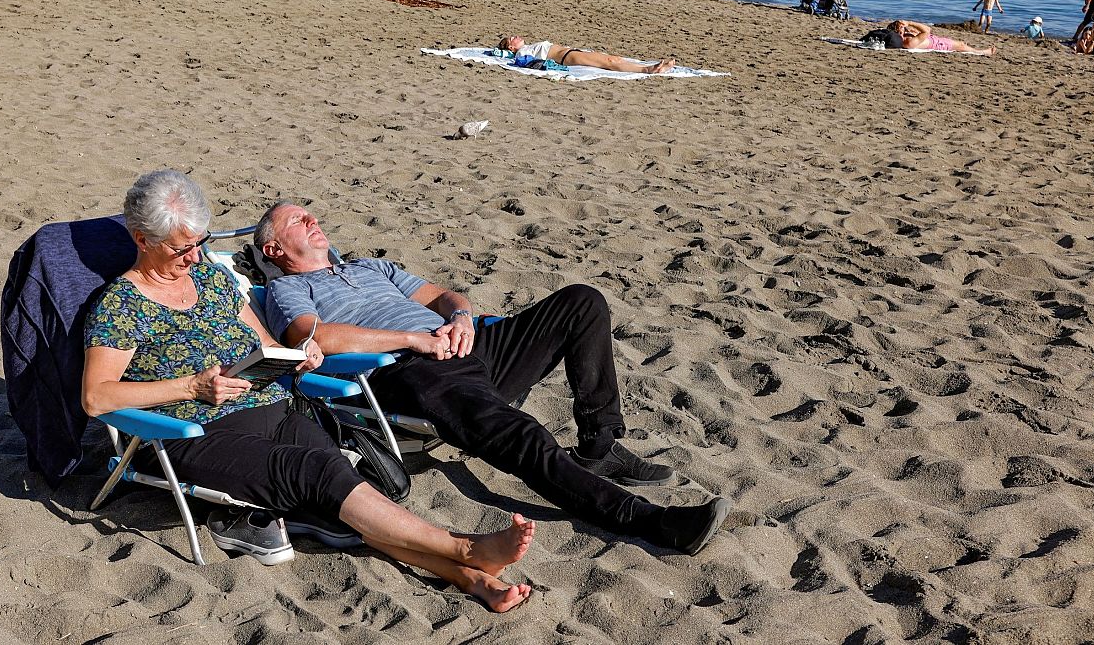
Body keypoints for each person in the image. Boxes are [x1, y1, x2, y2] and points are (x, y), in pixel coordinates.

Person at [83, 171, 535, 612]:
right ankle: (466, 548)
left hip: (272, 407)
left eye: (200, 243)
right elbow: (97, 397)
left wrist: (299, 354)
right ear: (142, 240)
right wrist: (191, 386)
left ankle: (470, 578)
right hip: (191, 431)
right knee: (317, 472)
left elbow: (265, 344)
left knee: (341, 484)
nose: (195, 257)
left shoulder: (213, 281)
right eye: (182, 249)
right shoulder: (121, 305)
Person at [256, 202, 732, 555]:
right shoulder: (285, 289)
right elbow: (314, 335)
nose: (313, 220)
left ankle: (599, 446)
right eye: (298, 220)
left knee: (581, 302)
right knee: (521, 434)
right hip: (413, 370)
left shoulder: (369, 266)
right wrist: (414, 340)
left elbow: (442, 296)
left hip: (467, 345)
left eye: (310, 214)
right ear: (274, 249)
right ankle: (651, 521)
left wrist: (461, 318)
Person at [498, 36, 678, 74]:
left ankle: (651, 67)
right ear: (511, 47)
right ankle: (649, 70)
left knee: (614, 59)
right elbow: (524, 62)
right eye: (512, 39)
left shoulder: (527, 47)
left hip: (572, 52)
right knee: (609, 62)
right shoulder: (521, 52)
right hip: (567, 57)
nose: (516, 37)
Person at [887, 20, 997, 55]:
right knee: (961, 45)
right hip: (938, 45)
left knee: (962, 44)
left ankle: (976, 50)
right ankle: (983, 52)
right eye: (902, 27)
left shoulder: (905, 37)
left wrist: (910, 29)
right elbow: (927, 30)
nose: (904, 28)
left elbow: (923, 32)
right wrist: (910, 23)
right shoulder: (908, 42)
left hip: (935, 40)